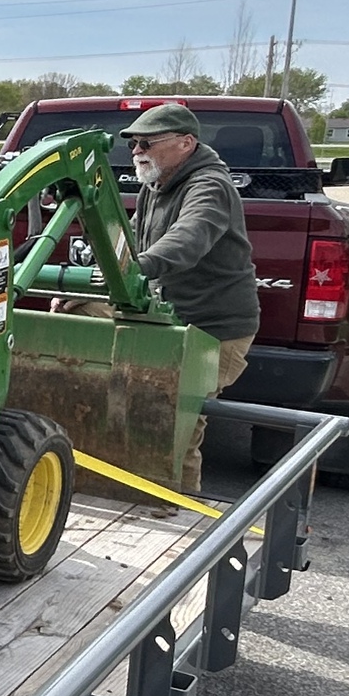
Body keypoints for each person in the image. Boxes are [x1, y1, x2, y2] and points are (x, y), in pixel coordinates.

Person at [116, 103, 261, 492]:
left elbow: (188, 238)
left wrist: (134, 269)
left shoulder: (210, 186)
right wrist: (89, 284)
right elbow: (130, 242)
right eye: (133, 144)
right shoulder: (156, 185)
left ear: (185, 143)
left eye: (147, 143)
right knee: (145, 411)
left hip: (214, 330)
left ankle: (177, 511)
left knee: (177, 424)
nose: (136, 151)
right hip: (171, 318)